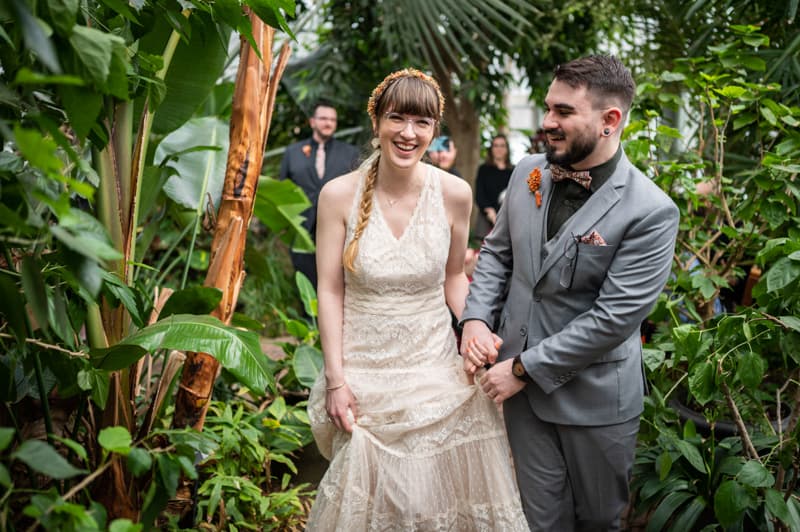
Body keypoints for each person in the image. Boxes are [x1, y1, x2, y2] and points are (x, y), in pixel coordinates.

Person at [460, 55, 680, 531]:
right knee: (540, 522)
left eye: (562, 112)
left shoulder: (651, 211)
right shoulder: (528, 173)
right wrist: (474, 318)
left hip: (594, 400)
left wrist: (522, 368)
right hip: (521, 400)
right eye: (546, 109)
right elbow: (497, 254)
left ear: (610, 120)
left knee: (599, 521)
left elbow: (613, 320)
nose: (546, 123)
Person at [305, 68, 528, 530]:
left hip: (434, 369)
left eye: (422, 123)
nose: (408, 133)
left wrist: (475, 326)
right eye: (397, 118)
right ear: (376, 123)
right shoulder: (337, 196)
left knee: (434, 505)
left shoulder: (454, 194)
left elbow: (453, 278)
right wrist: (335, 380)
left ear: (434, 131)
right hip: (365, 374)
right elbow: (329, 289)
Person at [279, 100, 359, 287]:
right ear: (312, 122)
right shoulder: (292, 152)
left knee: (337, 283)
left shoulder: (350, 153)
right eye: (323, 118)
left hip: (340, 230)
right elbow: (283, 190)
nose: (328, 123)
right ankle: (308, 317)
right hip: (302, 230)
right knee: (306, 283)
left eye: (332, 119)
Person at [474, 133, 514, 239]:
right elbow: (479, 194)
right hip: (486, 217)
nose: (499, 149)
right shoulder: (484, 169)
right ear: (491, 149)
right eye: (496, 145)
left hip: (508, 218)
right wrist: (490, 212)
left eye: (502, 145)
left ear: (507, 149)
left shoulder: (514, 171)